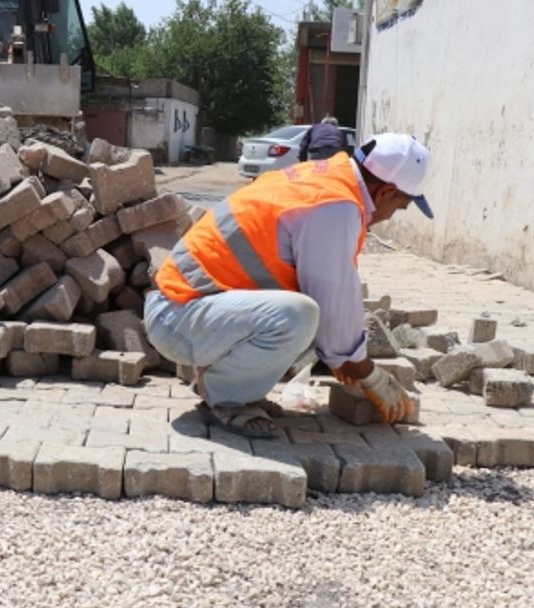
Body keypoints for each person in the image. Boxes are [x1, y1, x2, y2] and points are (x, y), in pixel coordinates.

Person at [145, 133, 433, 438]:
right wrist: (370, 375)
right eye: (399, 207)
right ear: (386, 192)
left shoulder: (328, 180)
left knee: (309, 316)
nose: (389, 217)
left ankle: (237, 385)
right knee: (300, 315)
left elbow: (338, 295)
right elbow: (332, 310)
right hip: (177, 320)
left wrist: (345, 355)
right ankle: (227, 398)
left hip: (189, 311)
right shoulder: (335, 206)